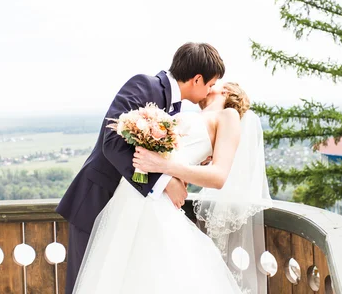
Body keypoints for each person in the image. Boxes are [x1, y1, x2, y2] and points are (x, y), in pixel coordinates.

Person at [56, 42, 225, 294]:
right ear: (197, 79)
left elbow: (154, 152)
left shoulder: (175, 107)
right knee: (87, 283)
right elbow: (112, 143)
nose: (211, 90)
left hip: (132, 209)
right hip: (99, 199)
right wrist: (165, 181)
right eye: (210, 84)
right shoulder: (144, 85)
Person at [71, 82, 260, 293]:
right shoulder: (189, 114)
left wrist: (165, 167)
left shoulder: (228, 116)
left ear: (226, 92)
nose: (208, 86)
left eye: (214, 84)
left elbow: (218, 177)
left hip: (157, 203)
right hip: (128, 197)